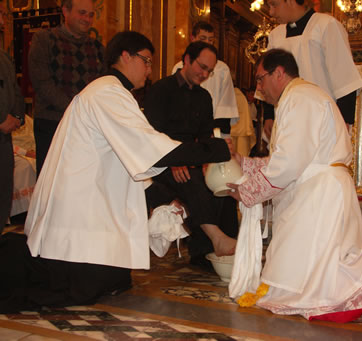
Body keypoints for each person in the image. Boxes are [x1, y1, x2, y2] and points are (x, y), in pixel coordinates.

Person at [0, 31, 232, 313]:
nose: (149, 70)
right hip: (78, 210)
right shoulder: (107, 93)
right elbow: (155, 149)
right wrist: (218, 149)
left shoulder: (113, 94)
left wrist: (161, 199)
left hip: (90, 203)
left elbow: (130, 162)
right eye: (146, 61)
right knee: (74, 286)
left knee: (116, 278)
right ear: (126, 56)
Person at [227, 49, 362, 322]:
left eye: (260, 78)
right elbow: (289, 159)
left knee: (315, 281)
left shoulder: (299, 98)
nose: (259, 87)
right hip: (319, 187)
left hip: (319, 193)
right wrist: (242, 163)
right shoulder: (300, 96)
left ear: (279, 73)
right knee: (319, 268)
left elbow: (288, 164)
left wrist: (247, 191)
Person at [144, 41, 238, 268]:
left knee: (222, 183)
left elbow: (205, 138)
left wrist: (208, 163)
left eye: (209, 71)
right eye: (201, 67)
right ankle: (213, 241)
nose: (204, 74)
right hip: (162, 161)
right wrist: (175, 161)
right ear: (186, 59)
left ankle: (223, 248)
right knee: (192, 180)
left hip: (191, 158)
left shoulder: (204, 97)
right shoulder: (160, 90)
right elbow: (152, 135)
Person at [262, 0, 362, 139]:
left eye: (274, 5)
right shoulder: (275, 35)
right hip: (285, 120)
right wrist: (268, 115)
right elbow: (268, 77)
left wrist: (343, 122)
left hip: (322, 121)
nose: (271, 12)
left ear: (291, 2)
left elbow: (345, 78)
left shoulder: (326, 26)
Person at [28, 0, 105, 175]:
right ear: (65, 11)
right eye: (82, 13)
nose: (87, 19)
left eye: (91, 14)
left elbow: (102, 87)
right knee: (51, 182)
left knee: (82, 182)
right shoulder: (44, 39)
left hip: (86, 128)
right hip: (51, 123)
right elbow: (42, 83)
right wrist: (76, 109)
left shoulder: (98, 48)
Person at [172, 21, 238, 137]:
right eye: (203, 38)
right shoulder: (179, 67)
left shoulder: (221, 69)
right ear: (193, 38)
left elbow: (226, 104)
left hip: (213, 128)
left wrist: (216, 131)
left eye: (211, 40)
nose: (207, 43)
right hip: (184, 127)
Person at [0, 1, 26, 235]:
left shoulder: (4, 57)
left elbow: (16, 91)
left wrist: (17, 116)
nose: (1, 22)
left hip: (4, 143)